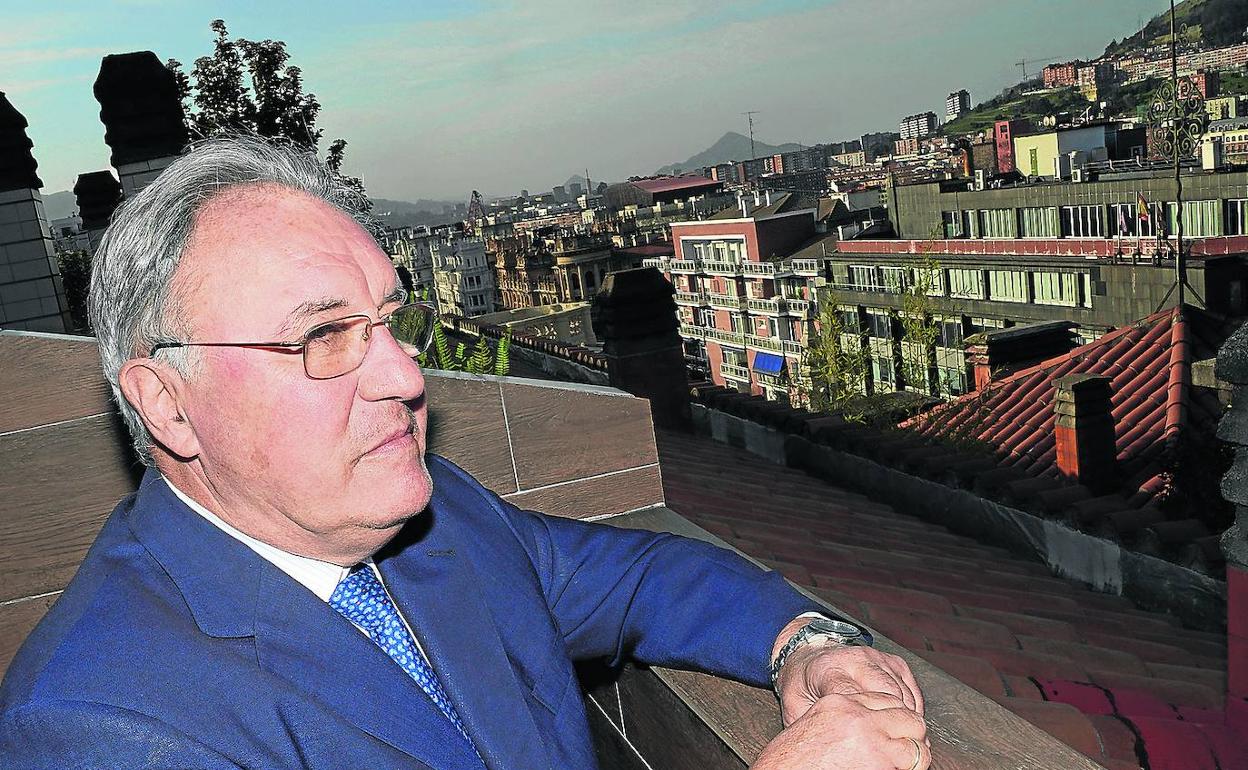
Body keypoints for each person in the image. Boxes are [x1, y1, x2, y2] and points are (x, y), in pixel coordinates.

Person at [0, 135, 928, 770]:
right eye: (324, 336)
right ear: (167, 402)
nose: (405, 377)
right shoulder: (99, 726)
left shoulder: (435, 519)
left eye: (390, 322)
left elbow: (640, 579)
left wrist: (807, 644)